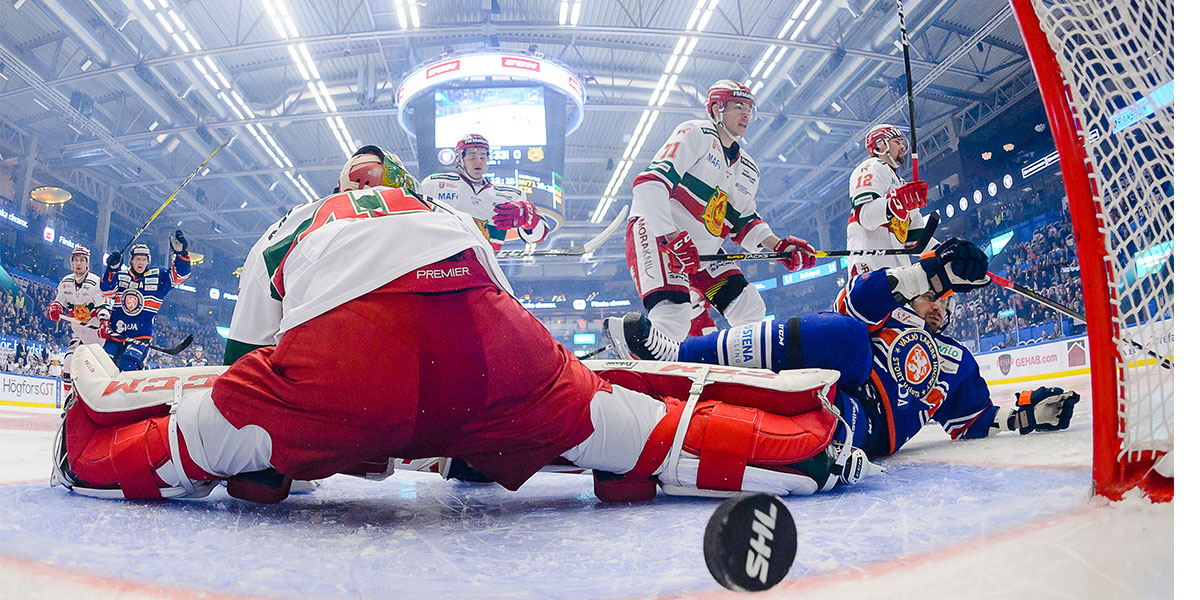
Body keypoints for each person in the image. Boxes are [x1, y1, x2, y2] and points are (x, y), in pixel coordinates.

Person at [50, 146, 879, 505]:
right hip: (488, 346)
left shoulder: (295, 220)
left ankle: (86, 451)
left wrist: (280, 452)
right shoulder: (444, 206)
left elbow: (238, 364)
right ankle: (806, 449)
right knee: (628, 425)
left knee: (204, 439)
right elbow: (497, 303)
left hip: (347, 365)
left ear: (341, 183)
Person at [606, 239, 1081, 459]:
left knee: (813, 434)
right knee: (847, 336)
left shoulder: (961, 363)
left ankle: (670, 423)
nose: (939, 303)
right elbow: (852, 304)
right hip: (832, 371)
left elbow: (974, 422)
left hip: (864, 425)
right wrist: (927, 273)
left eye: (946, 297)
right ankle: (680, 355)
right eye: (934, 293)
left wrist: (1025, 415)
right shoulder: (890, 309)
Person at [615, 80, 817, 361]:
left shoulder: (748, 168)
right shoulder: (695, 133)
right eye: (738, 106)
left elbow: (743, 222)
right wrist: (670, 238)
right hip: (658, 233)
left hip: (702, 250)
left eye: (749, 108)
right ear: (716, 109)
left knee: (749, 307)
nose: (746, 114)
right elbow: (648, 185)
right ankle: (646, 383)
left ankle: (745, 374)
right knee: (673, 316)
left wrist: (779, 246)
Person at [418, 134, 549, 252]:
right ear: (459, 160)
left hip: (484, 269)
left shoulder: (511, 195)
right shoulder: (434, 184)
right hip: (443, 265)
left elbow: (537, 237)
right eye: (472, 156)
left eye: (482, 156)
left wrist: (528, 217)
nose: (478, 161)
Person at [846, 124, 931, 277]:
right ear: (880, 145)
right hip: (871, 271)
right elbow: (864, 216)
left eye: (902, 142)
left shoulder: (903, 186)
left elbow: (914, 240)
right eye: (897, 142)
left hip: (900, 275)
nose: (903, 146)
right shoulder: (871, 166)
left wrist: (947, 251)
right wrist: (898, 201)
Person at [100, 233, 191, 371]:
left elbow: (180, 275)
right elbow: (106, 291)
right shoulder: (122, 276)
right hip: (116, 334)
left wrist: (181, 254)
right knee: (103, 367)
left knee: (127, 366)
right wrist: (111, 269)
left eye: (144, 259)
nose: (140, 262)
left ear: (148, 261)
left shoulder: (158, 276)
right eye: (137, 259)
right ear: (131, 261)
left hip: (140, 336)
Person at [45, 246, 111, 396]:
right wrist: (55, 309)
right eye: (75, 260)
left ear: (87, 263)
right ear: (71, 263)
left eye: (82, 260)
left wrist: (104, 322)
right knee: (68, 364)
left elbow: (103, 305)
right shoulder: (65, 282)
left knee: (93, 371)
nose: (78, 263)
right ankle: (68, 403)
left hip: (96, 336)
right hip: (78, 334)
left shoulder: (96, 282)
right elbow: (59, 301)